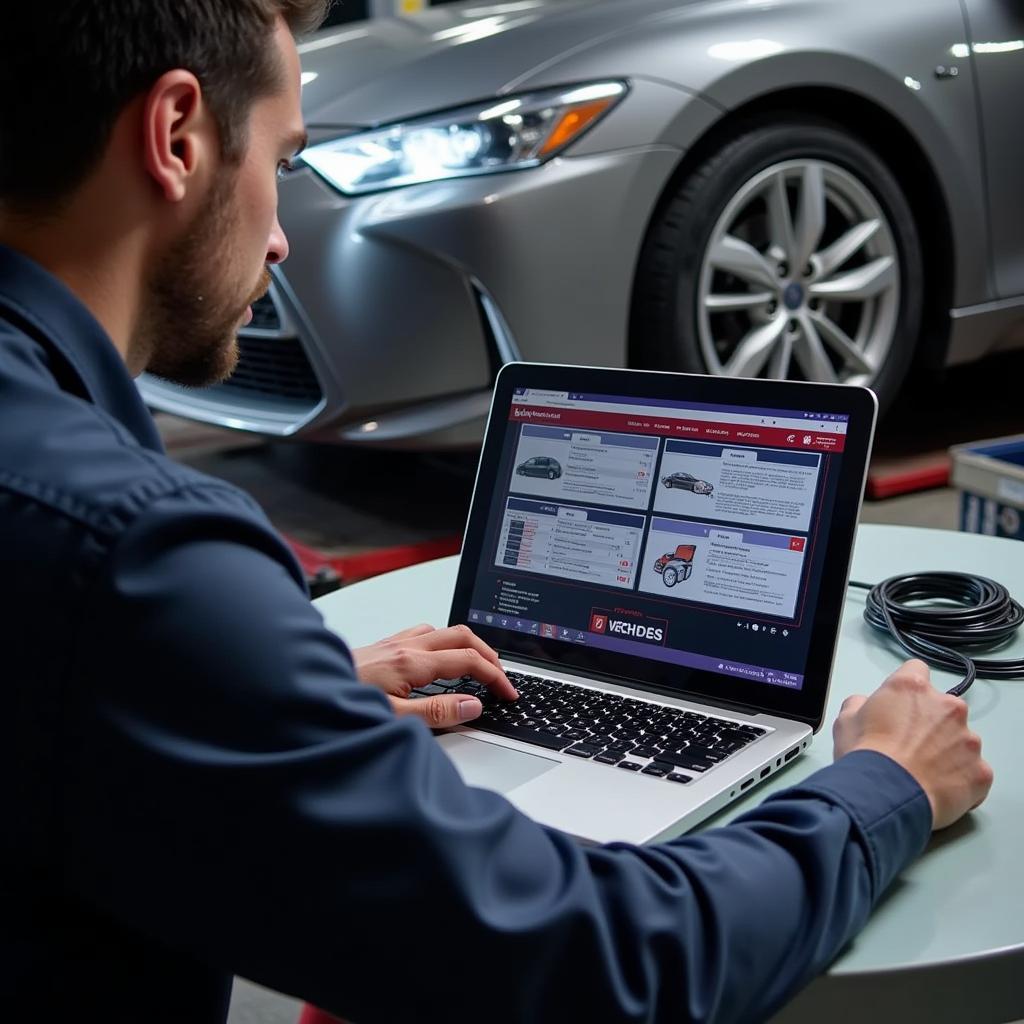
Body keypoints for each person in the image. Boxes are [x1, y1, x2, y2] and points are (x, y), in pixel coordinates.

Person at [0, 3, 992, 1023]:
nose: (284, 236)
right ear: (177, 138)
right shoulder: (135, 559)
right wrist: (885, 785)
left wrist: (269, 699)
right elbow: (607, 963)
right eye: (286, 161)